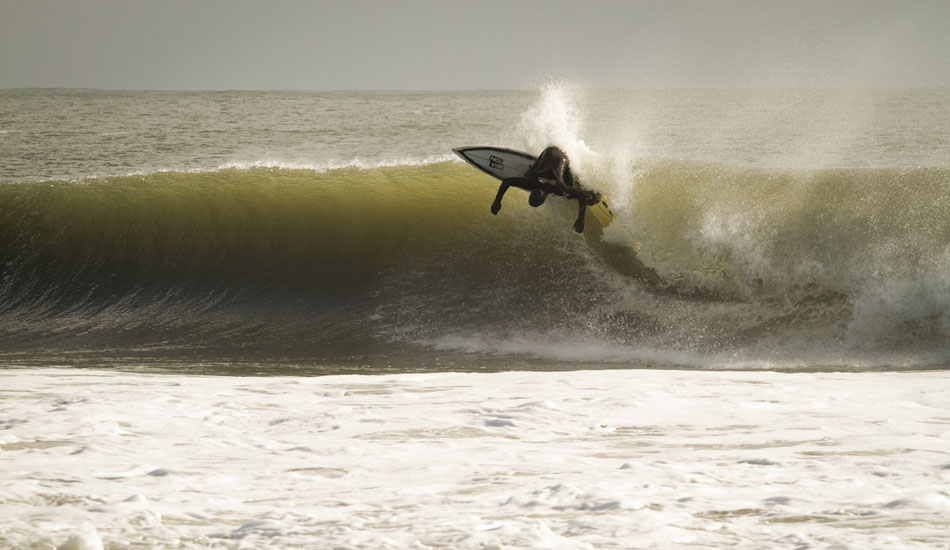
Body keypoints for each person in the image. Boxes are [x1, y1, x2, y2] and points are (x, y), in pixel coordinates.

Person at [489, 146, 600, 233]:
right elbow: (507, 181)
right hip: (550, 150)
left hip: (563, 156)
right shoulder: (531, 181)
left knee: (569, 191)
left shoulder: (558, 188)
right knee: (529, 174)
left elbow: (581, 195)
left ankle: (580, 185)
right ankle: (534, 168)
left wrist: (581, 219)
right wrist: (497, 201)